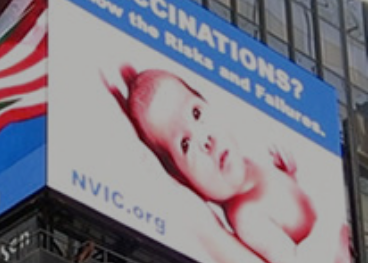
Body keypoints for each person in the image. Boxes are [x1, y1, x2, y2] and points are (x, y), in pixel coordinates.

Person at [102, 64, 347, 263]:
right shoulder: (247, 216)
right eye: (185, 144)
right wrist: (331, 223)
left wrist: (291, 177)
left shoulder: (256, 163)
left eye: (196, 113)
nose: (204, 140)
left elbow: (292, 213)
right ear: (180, 177)